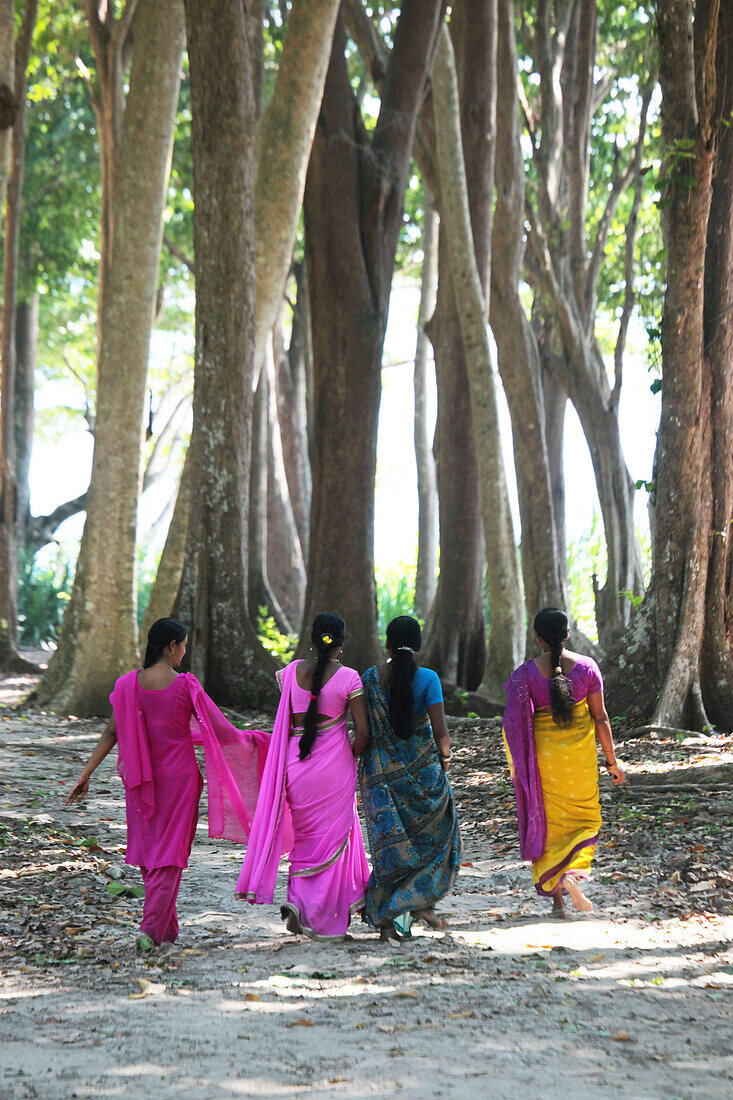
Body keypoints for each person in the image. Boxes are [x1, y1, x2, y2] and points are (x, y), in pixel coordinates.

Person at [67, 618, 269, 950]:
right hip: (179, 781)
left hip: (139, 782)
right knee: (169, 855)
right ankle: (150, 930)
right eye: (184, 645)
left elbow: (110, 733)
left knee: (152, 855)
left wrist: (85, 774)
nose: (185, 652)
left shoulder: (127, 686)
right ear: (171, 647)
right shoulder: (185, 685)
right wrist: (258, 740)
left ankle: (166, 927)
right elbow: (223, 732)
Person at [236, 612, 370, 940]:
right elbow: (363, 733)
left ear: (312, 639)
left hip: (294, 767)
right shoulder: (350, 678)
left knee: (306, 839)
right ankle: (321, 919)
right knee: (333, 840)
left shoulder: (291, 672)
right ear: (340, 642)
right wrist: (349, 755)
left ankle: (297, 899)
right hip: (334, 771)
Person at [502, 607, 626, 917]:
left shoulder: (525, 674)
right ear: (567, 634)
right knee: (587, 820)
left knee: (549, 826)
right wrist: (612, 762)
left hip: (545, 761)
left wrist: (519, 766)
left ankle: (558, 903)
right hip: (579, 761)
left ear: (538, 637)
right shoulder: (587, 668)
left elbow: (513, 722)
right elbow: (601, 718)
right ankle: (574, 873)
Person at [358, 615, 461, 942]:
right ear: (416, 644)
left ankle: (388, 923)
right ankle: (420, 903)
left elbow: (365, 730)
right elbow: (441, 732)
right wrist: (445, 760)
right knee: (438, 838)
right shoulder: (428, 678)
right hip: (424, 772)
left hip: (383, 776)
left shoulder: (370, 678)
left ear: (387, 642)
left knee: (391, 848)